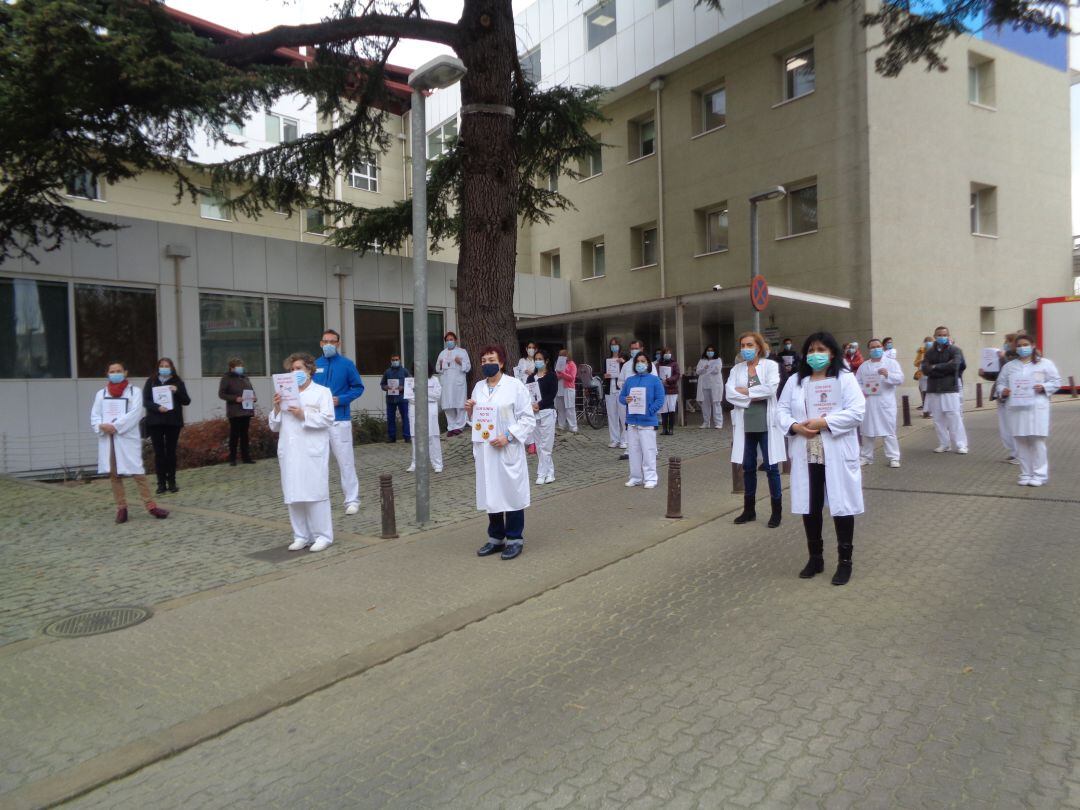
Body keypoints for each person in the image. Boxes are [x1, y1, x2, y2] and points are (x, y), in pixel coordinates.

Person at [777, 332, 866, 586]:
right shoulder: (796, 380)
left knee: (842, 505)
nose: (815, 355)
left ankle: (844, 562)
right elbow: (781, 411)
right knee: (810, 504)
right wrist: (795, 426)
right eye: (811, 350)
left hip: (836, 450)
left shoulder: (845, 379)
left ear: (833, 354)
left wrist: (824, 422)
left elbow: (857, 412)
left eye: (821, 350)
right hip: (808, 451)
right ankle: (815, 557)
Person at [466, 345, 536, 561]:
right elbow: (477, 420)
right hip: (486, 449)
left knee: (511, 493)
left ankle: (515, 538)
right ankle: (496, 538)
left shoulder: (515, 386)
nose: (487, 363)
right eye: (484, 360)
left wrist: (509, 436)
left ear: (502, 362)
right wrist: (470, 412)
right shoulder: (478, 387)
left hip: (507, 449)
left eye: (491, 359)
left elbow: (528, 419)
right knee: (491, 493)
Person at [270, 353, 336, 552]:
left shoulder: (322, 392)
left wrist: (303, 414)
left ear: (309, 370)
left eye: (298, 368)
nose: (295, 372)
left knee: (315, 493)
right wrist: (276, 408)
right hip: (290, 451)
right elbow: (274, 426)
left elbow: (327, 419)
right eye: (291, 369)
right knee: (293, 494)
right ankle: (301, 535)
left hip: (312, 449)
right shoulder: (285, 394)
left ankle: (322, 535)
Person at [91, 361, 169, 524]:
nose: (116, 373)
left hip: (126, 437)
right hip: (109, 439)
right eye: (112, 371)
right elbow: (95, 414)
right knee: (114, 474)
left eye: (119, 370)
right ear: (107, 374)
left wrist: (116, 426)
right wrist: (100, 425)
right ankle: (122, 508)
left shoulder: (135, 392)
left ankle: (150, 505)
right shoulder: (101, 394)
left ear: (125, 372)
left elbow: (135, 413)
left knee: (137, 472)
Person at [726, 332, 787, 527]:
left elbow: (770, 390)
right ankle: (749, 510)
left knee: (771, 468)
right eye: (743, 345)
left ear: (758, 347)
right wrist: (753, 395)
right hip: (746, 425)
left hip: (766, 424)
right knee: (748, 467)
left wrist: (745, 392)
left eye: (749, 345)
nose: (745, 349)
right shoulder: (736, 369)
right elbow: (729, 394)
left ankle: (776, 512)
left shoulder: (770, 366)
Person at [996, 336, 1061, 486]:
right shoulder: (1010, 366)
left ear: (1032, 345)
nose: (1022, 348)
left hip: (1037, 407)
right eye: (1019, 345)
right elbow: (1001, 383)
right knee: (1021, 442)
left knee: (1037, 441)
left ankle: (1039, 474)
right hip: (1017, 407)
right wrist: (1003, 391)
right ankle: (1025, 473)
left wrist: (1044, 387)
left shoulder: (1045, 364)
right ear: (1015, 348)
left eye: (1025, 345)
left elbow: (1056, 381)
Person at [314, 329, 365, 516]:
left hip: (339, 420)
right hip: (318, 422)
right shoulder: (314, 365)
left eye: (332, 341)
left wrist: (341, 399)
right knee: (318, 463)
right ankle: (319, 500)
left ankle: (352, 499)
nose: (328, 344)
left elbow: (358, 387)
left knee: (346, 462)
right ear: (320, 343)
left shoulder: (346, 364)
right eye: (325, 341)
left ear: (338, 344)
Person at [142, 357, 192, 493]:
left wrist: (177, 391)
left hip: (172, 422)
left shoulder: (177, 382)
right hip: (155, 422)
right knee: (159, 453)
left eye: (167, 366)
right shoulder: (151, 381)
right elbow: (145, 401)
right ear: (158, 367)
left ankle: (172, 481)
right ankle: (161, 483)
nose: (164, 368)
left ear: (171, 367)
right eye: (162, 365)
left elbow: (187, 401)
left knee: (171, 452)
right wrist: (157, 407)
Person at [855, 339, 905, 467]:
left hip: (885, 403)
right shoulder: (864, 366)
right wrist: (863, 390)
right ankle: (866, 457)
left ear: (882, 348)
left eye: (878, 346)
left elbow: (900, 379)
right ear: (869, 350)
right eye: (873, 347)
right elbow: (857, 382)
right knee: (867, 431)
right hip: (869, 403)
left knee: (888, 431)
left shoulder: (891, 363)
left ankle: (894, 457)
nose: (876, 349)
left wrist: (888, 374)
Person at [618, 353, 665, 488]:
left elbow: (660, 399)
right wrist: (625, 400)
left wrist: (650, 411)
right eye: (638, 361)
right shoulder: (630, 380)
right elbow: (622, 397)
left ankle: (651, 478)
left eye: (643, 361)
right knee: (633, 451)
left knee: (648, 450)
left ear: (648, 363)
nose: (640, 364)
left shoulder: (655, 380)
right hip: (632, 421)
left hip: (648, 422)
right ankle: (635, 477)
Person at [921, 326, 968, 454]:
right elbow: (925, 369)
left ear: (948, 335)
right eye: (939, 335)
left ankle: (961, 444)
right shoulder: (929, 352)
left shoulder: (955, 350)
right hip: (934, 389)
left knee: (954, 417)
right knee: (938, 418)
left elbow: (956, 366)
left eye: (944, 335)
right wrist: (944, 368)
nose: (942, 337)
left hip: (950, 389)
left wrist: (935, 367)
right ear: (935, 336)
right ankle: (944, 444)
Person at [981, 332, 1021, 463]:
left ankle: (1020, 454)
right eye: (1006, 341)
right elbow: (998, 376)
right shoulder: (1004, 356)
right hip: (1001, 395)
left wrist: (1003, 358)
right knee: (1005, 426)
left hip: (1015, 395)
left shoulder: (1017, 357)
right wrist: (984, 374)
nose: (1006, 344)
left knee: (1015, 425)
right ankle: (1013, 452)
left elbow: (1012, 372)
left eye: (1008, 341)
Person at [527, 349, 560, 485]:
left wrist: (539, 405)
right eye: (536, 359)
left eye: (540, 359)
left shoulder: (552, 376)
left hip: (547, 412)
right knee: (539, 445)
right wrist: (531, 405)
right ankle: (550, 472)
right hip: (535, 415)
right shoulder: (530, 378)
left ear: (546, 361)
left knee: (546, 445)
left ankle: (541, 473)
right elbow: (527, 394)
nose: (538, 361)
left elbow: (551, 395)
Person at [219, 357, 256, 465]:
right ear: (231, 368)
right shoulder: (226, 378)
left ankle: (246, 457)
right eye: (238, 367)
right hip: (235, 411)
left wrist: (254, 398)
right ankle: (233, 458)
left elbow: (251, 390)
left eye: (241, 366)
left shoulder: (245, 378)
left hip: (246, 409)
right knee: (234, 434)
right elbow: (222, 394)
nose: (241, 369)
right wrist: (235, 398)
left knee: (245, 435)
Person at [407, 364, 443, 474]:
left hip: (430, 411)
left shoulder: (434, 380)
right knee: (415, 438)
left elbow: (437, 396)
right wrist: (427, 396)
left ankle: (437, 464)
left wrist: (421, 392)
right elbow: (410, 398)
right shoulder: (410, 381)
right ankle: (415, 463)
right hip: (415, 411)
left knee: (433, 437)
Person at [437, 331, 471, 436]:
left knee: (460, 404)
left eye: (451, 339)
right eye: (447, 340)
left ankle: (459, 426)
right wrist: (441, 364)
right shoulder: (442, 353)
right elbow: (437, 369)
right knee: (448, 405)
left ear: (455, 340)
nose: (449, 342)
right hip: (446, 382)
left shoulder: (462, 352)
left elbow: (468, 367)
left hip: (458, 382)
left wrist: (460, 362)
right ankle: (451, 427)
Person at [380, 353, 411, 443]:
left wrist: (403, 387)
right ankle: (392, 437)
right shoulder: (387, 372)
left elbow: (410, 383)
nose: (395, 361)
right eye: (393, 360)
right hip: (390, 399)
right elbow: (382, 384)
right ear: (391, 361)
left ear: (400, 360)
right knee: (390, 418)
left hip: (402, 398)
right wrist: (386, 387)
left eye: (396, 360)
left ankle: (407, 436)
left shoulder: (405, 371)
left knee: (405, 417)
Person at [603, 337, 626, 448]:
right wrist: (605, 376)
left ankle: (624, 439)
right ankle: (614, 439)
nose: (614, 346)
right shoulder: (607, 360)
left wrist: (622, 362)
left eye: (615, 344)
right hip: (609, 390)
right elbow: (604, 375)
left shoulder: (624, 359)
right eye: (612, 345)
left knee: (623, 415)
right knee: (612, 415)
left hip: (620, 390)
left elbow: (628, 372)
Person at [695, 346, 724, 429]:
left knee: (716, 403)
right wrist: (705, 368)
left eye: (711, 350)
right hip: (704, 385)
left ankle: (718, 423)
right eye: (708, 350)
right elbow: (698, 371)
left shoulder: (718, 360)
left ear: (714, 352)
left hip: (715, 385)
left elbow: (717, 370)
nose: (710, 352)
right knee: (705, 404)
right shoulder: (702, 360)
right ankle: (706, 422)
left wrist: (706, 369)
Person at [656, 347, 681, 435]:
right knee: (663, 410)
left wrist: (669, 380)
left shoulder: (674, 363)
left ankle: (671, 429)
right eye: (666, 353)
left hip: (672, 389)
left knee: (671, 409)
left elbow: (677, 374)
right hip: (662, 389)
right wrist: (660, 380)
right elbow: (656, 375)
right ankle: (664, 429)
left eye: (669, 353)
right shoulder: (658, 364)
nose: (667, 354)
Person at [554, 348, 578, 433]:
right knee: (561, 408)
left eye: (564, 355)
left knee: (570, 408)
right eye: (560, 356)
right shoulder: (558, 364)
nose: (562, 357)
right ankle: (561, 425)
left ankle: (573, 426)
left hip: (568, 388)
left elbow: (572, 378)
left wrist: (562, 373)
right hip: (559, 388)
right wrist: (558, 374)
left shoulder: (572, 364)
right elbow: (555, 376)